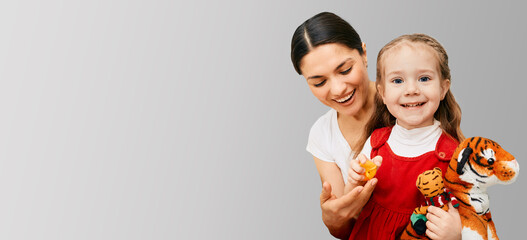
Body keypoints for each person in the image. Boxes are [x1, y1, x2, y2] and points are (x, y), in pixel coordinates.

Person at [345, 33, 463, 240]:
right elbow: (351, 200)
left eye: (424, 78)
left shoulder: (454, 154)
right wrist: (354, 181)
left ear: (444, 88)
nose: (411, 90)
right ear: (382, 93)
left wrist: (457, 234)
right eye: (397, 80)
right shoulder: (375, 142)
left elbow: (474, 219)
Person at [290, 12, 380, 239]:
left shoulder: (409, 101)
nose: (338, 89)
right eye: (319, 82)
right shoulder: (322, 135)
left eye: (345, 70)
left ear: (364, 54)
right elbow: (346, 227)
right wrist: (333, 220)